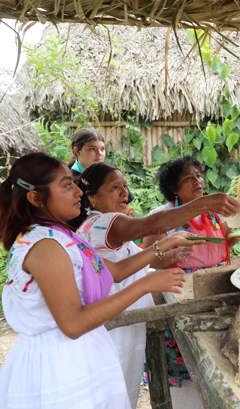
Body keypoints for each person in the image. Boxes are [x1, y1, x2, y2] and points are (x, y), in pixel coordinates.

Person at [0, 152, 191, 409]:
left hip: (79, 356)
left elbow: (113, 271)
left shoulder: (59, 235)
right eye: (66, 186)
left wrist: (159, 248)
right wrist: (146, 284)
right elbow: (73, 323)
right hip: (60, 367)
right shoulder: (45, 246)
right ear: (36, 197)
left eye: (74, 184)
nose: (78, 192)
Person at [75, 162, 240, 407]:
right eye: (114, 188)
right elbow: (152, 225)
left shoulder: (94, 224)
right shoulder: (103, 223)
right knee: (113, 393)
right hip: (115, 326)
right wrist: (205, 203)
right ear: (91, 197)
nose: (124, 193)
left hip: (121, 322)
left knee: (118, 392)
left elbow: (122, 267)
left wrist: (165, 253)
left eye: (124, 186)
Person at [144, 157, 238, 272]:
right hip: (182, 282)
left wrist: (237, 236)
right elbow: (150, 260)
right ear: (174, 188)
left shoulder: (214, 211)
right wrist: (174, 255)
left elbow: (223, 245)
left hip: (217, 275)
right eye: (189, 178)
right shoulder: (161, 216)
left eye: (198, 176)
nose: (197, 181)